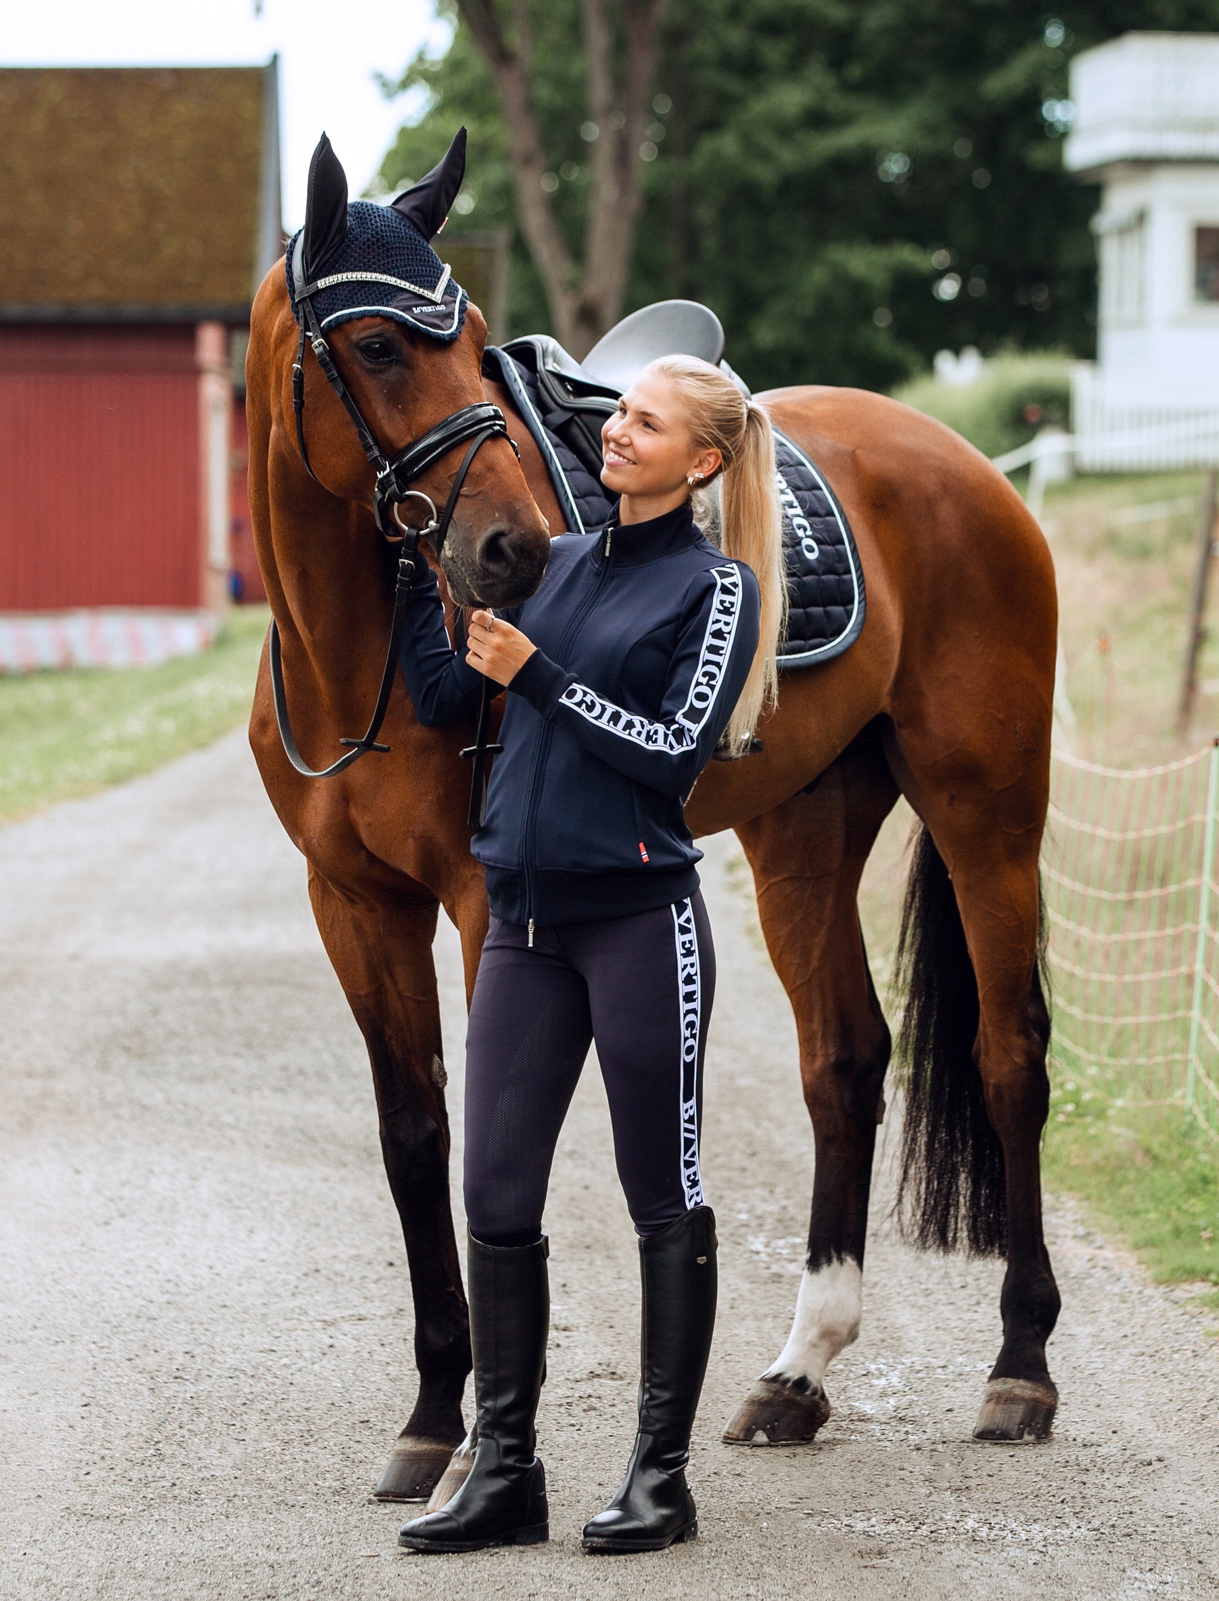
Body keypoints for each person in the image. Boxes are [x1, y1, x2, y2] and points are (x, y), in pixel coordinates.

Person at [394, 355, 785, 1556]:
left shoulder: (719, 590)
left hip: (635, 921)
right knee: (495, 1190)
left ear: (702, 459)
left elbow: (673, 753)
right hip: (521, 923)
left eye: (646, 421)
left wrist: (542, 677)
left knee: (658, 1188)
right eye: (619, 412)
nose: (617, 431)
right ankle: (506, 1467)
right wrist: (411, 558)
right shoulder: (554, 563)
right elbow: (442, 691)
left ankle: (659, 1477)